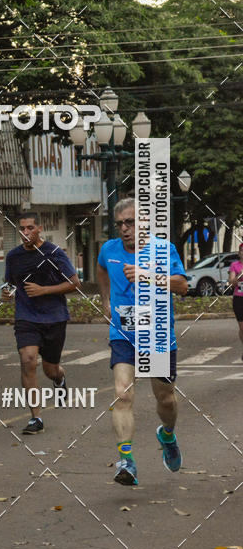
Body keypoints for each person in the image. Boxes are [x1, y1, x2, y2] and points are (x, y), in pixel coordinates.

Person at [96, 197, 188, 486]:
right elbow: (101, 269)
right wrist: (106, 299)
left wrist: (148, 275)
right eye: (120, 223)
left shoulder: (164, 250)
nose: (125, 228)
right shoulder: (108, 250)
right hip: (123, 332)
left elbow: (183, 286)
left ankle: (168, 434)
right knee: (122, 394)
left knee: (166, 399)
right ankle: (126, 461)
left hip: (157, 334)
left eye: (131, 222)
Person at [2, 212, 79, 434]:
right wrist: (6, 293)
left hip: (55, 317)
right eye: (22, 229)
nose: (25, 233)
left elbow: (75, 283)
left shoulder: (53, 253)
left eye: (30, 228)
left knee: (50, 368)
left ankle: (60, 378)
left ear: (39, 229)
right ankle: (36, 418)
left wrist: (44, 290)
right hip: (26, 317)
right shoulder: (13, 257)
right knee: (27, 360)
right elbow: (9, 284)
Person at [227, 243, 243, 360]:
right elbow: (232, 282)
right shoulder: (234, 265)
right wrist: (239, 275)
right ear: (239, 253)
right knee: (242, 328)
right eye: (241, 251)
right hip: (239, 298)